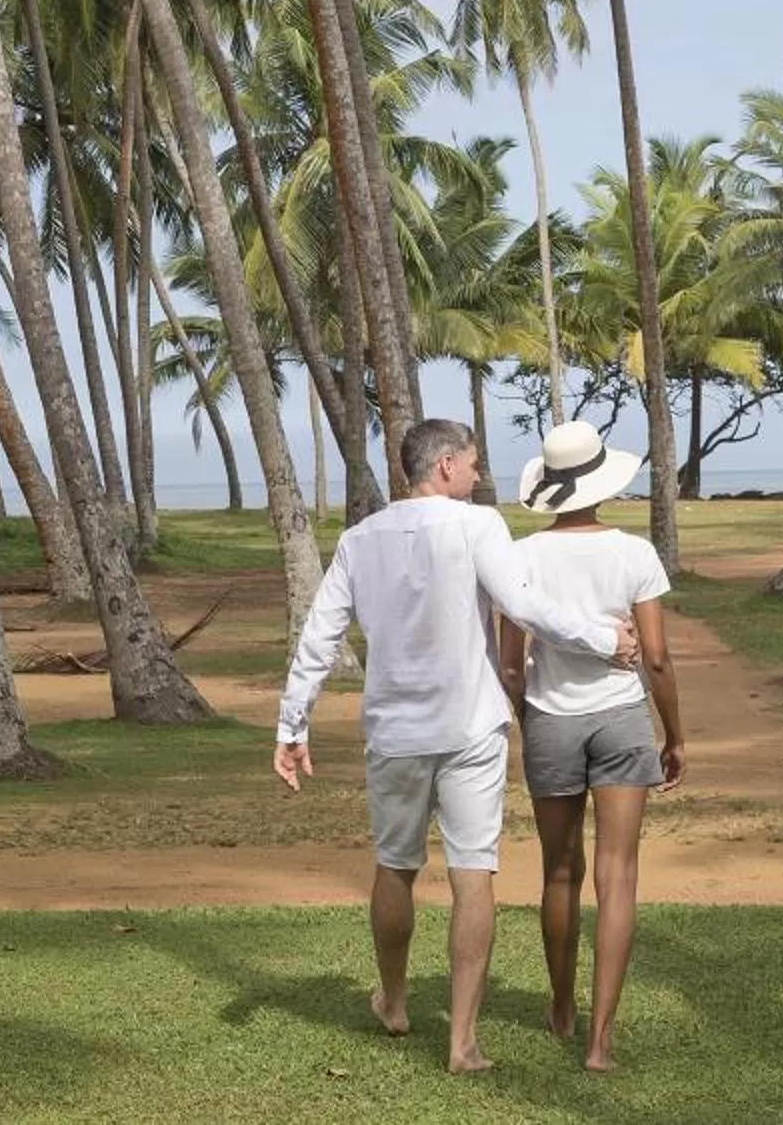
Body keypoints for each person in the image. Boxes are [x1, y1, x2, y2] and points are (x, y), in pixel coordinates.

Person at [273, 415, 639, 1076]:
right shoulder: (477, 526)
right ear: (444, 466)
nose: (478, 474)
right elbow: (524, 609)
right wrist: (605, 638)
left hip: (396, 734)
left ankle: (396, 1001)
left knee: (395, 867)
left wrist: (291, 727)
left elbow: (321, 635)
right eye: (471, 463)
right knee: (474, 876)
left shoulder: (359, 540)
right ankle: (463, 1042)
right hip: (471, 728)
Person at [496, 421, 685, 1074]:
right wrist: (675, 734)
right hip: (622, 719)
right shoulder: (635, 553)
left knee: (559, 872)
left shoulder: (520, 558)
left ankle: (561, 1006)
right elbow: (655, 659)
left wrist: (527, 721)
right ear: (604, 481)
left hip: (550, 718)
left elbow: (512, 666)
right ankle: (600, 1041)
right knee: (618, 877)